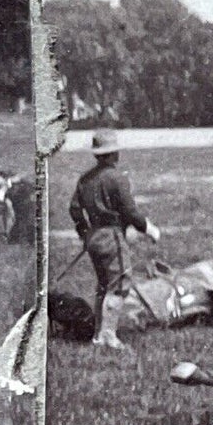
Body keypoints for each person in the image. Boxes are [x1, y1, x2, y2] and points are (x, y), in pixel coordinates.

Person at [68, 129, 159, 345]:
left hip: (93, 237)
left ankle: (99, 335)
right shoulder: (117, 178)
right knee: (119, 284)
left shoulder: (85, 179)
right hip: (112, 235)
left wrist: (84, 231)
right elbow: (130, 212)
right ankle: (108, 335)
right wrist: (149, 228)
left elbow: (73, 209)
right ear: (112, 154)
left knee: (103, 284)